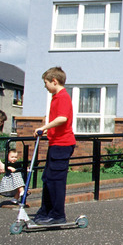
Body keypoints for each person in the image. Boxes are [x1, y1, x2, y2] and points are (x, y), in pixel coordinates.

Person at [33, 66, 76, 225]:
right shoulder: (56, 97)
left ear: (54, 81)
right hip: (56, 143)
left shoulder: (63, 96)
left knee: (56, 180)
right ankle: (46, 211)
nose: (45, 86)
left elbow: (63, 118)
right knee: (48, 178)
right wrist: (47, 131)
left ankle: (57, 215)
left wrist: (44, 127)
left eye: (46, 82)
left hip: (62, 144)